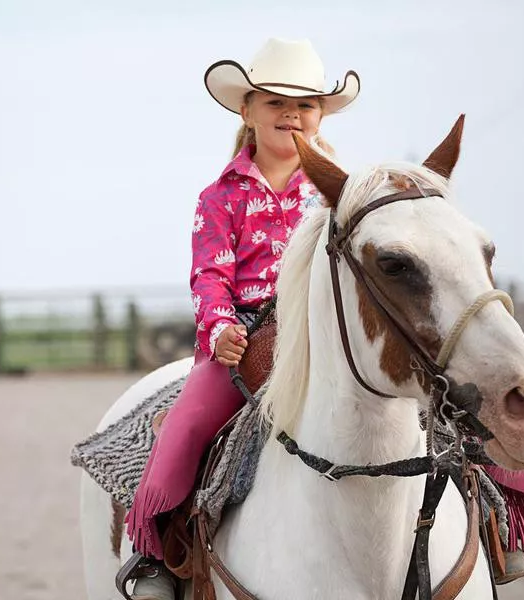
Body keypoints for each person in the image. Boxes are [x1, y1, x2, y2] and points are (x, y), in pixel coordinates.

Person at [121, 38, 361, 600]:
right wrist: (221, 329)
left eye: (304, 104)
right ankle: (154, 555)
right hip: (246, 337)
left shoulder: (342, 195)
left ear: (320, 114)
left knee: (430, 399)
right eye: (274, 101)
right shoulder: (219, 197)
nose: (291, 114)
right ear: (247, 111)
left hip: (327, 334)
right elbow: (209, 276)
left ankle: (501, 512)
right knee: (186, 426)